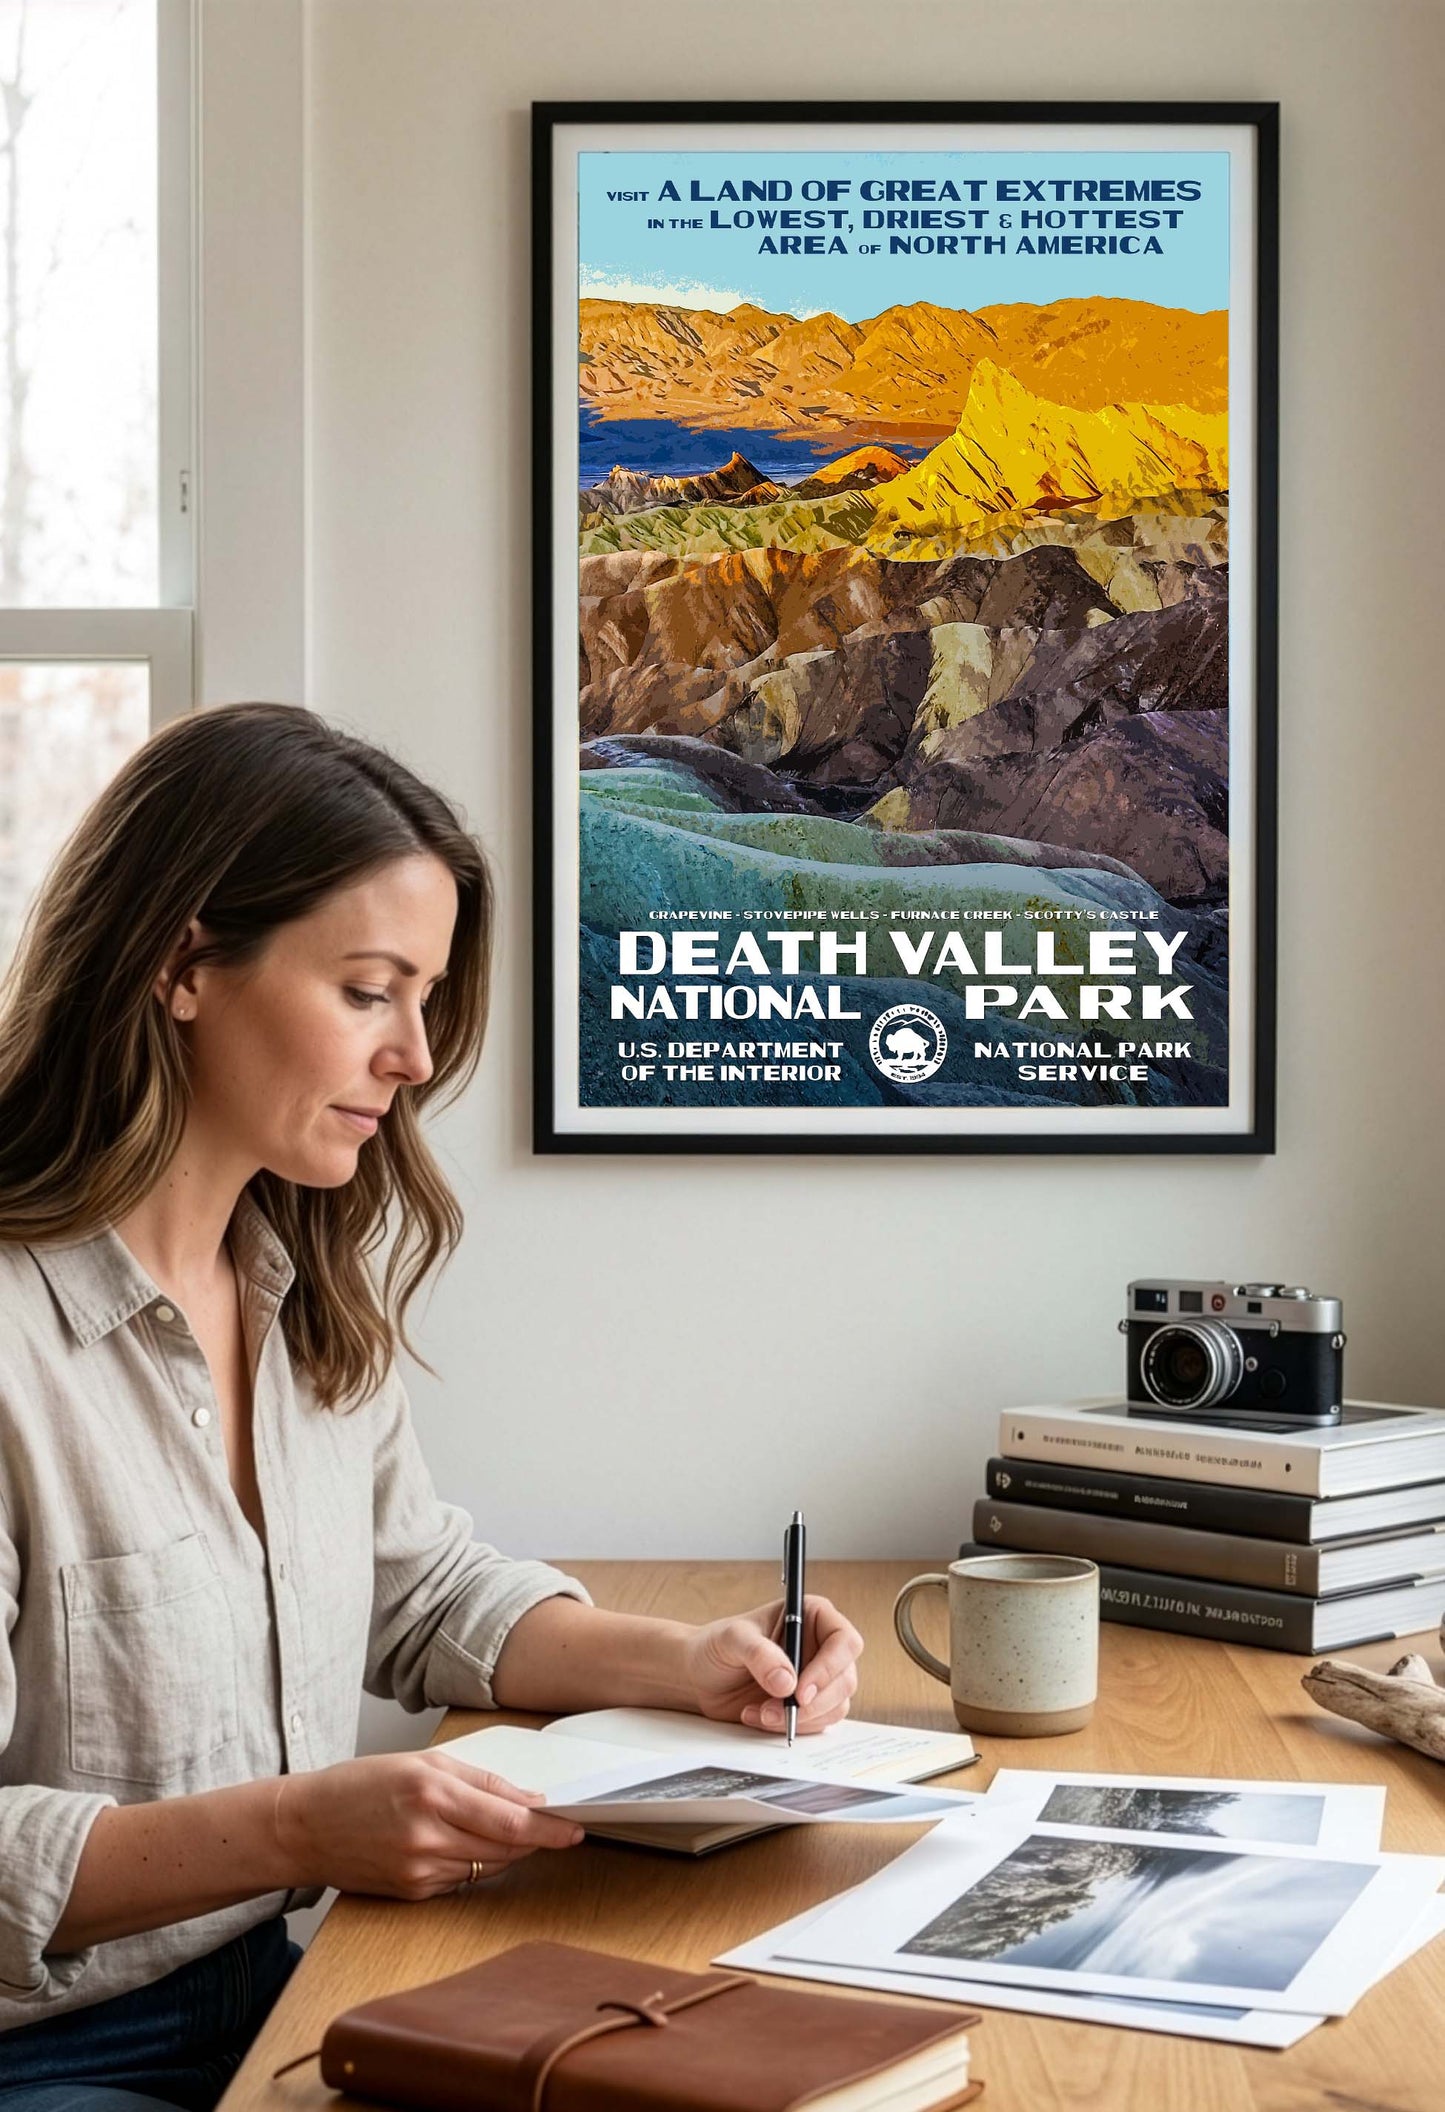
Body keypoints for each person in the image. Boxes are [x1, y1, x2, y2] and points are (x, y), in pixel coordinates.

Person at [0, 704, 863, 2111]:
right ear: (181, 963)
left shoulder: (302, 1299)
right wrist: (297, 1828)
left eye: (425, 997)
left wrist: (686, 1658)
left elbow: (417, 1591)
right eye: (366, 990)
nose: (413, 1056)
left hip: (286, 1980)